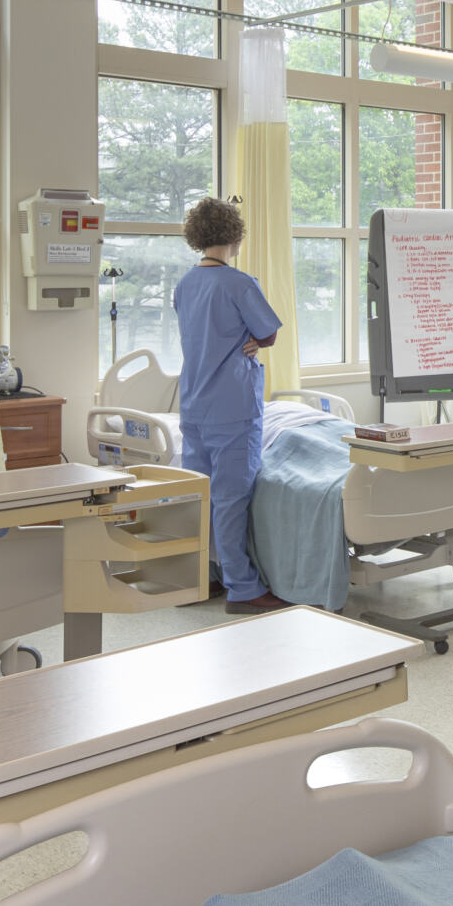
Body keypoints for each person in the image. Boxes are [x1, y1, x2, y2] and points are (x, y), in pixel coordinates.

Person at [172, 196, 286, 615]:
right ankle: (243, 586)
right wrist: (255, 340)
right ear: (235, 236)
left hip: (195, 404)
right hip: (232, 406)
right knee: (230, 497)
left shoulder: (185, 284)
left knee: (200, 496)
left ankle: (204, 576)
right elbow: (268, 333)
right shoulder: (239, 283)